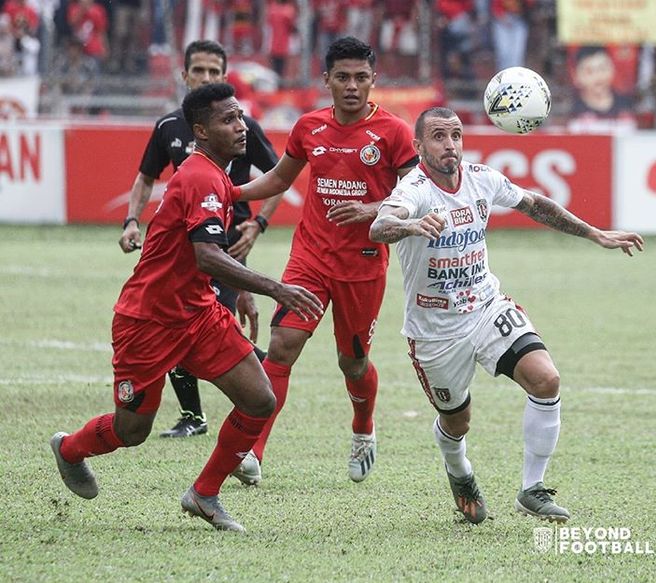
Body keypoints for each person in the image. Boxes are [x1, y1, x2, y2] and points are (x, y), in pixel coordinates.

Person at [50, 82, 324, 532]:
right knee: (132, 430)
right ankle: (70, 449)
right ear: (201, 130)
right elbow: (208, 256)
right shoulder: (199, 176)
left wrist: (312, 154)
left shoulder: (215, 172)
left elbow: (273, 180)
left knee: (259, 401)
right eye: (228, 120)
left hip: (197, 313)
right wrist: (277, 288)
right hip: (147, 322)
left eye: (240, 116)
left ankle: (204, 494)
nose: (240, 127)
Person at [369, 107, 644, 524]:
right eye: (439, 137)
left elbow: (536, 205)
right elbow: (380, 226)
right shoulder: (415, 188)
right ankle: (459, 470)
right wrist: (410, 226)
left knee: (546, 377)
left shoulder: (482, 179)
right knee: (456, 420)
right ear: (419, 145)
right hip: (435, 332)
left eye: (456, 136)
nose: (450, 145)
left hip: (485, 307)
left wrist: (595, 233)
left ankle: (532, 488)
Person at [231, 36, 419, 486]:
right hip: (310, 258)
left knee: (352, 364)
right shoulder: (308, 126)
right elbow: (279, 178)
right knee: (281, 346)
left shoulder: (393, 132)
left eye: (360, 78)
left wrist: (372, 209)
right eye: (343, 78)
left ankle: (362, 429)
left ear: (373, 80)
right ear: (327, 80)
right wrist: (229, 192)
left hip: (363, 264)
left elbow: (418, 195)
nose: (352, 86)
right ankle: (253, 451)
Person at [119, 39, 282, 440]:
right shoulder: (173, 135)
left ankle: (238, 441)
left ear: (224, 76)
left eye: (214, 71)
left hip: (227, 247)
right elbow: (146, 178)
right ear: (185, 74)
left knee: (233, 356)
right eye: (199, 70)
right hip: (194, 251)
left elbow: (276, 177)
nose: (205, 77)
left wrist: (257, 224)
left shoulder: (240, 131)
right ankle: (198, 416)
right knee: (191, 336)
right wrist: (131, 220)